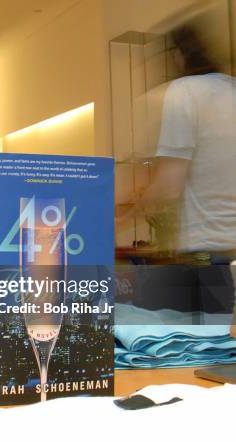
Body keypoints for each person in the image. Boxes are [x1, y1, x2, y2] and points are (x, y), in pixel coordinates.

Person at [117, 25, 236, 338]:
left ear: (173, 56)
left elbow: (168, 187)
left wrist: (122, 219)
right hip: (230, 255)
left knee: (189, 349)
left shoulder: (184, 93)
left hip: (205, 256)